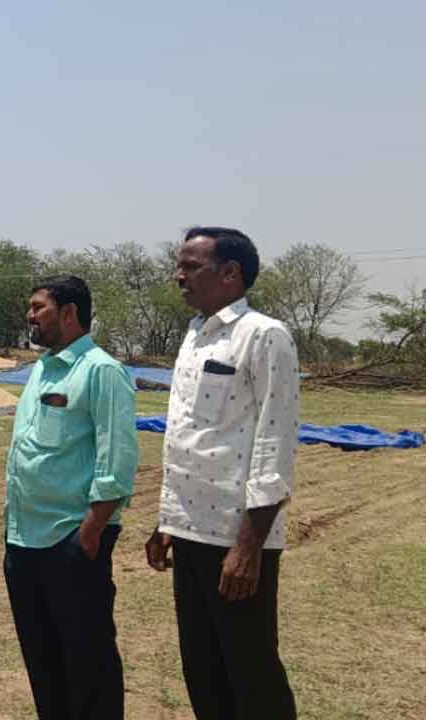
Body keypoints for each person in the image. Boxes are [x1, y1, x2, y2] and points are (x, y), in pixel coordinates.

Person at [145, 227, 300, 720]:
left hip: (236, 536)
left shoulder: (263, 335)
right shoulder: (195, 335)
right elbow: (192, 436)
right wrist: (167, 522)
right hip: (190, 529)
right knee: (202, 667)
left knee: (250, 670)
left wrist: (249, 546)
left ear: (230, 274)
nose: (179, 276)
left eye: (191, 266)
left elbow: (274, 441)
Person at [2, 276, 138, 720]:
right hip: (24, 537)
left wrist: (92, 529)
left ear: (69, 314)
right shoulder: (42, 367)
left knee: (87, 657)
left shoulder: (101, 371)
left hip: (71, 538)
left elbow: (115, 458)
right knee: (42, 655)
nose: (30, 315)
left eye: (38, 307)